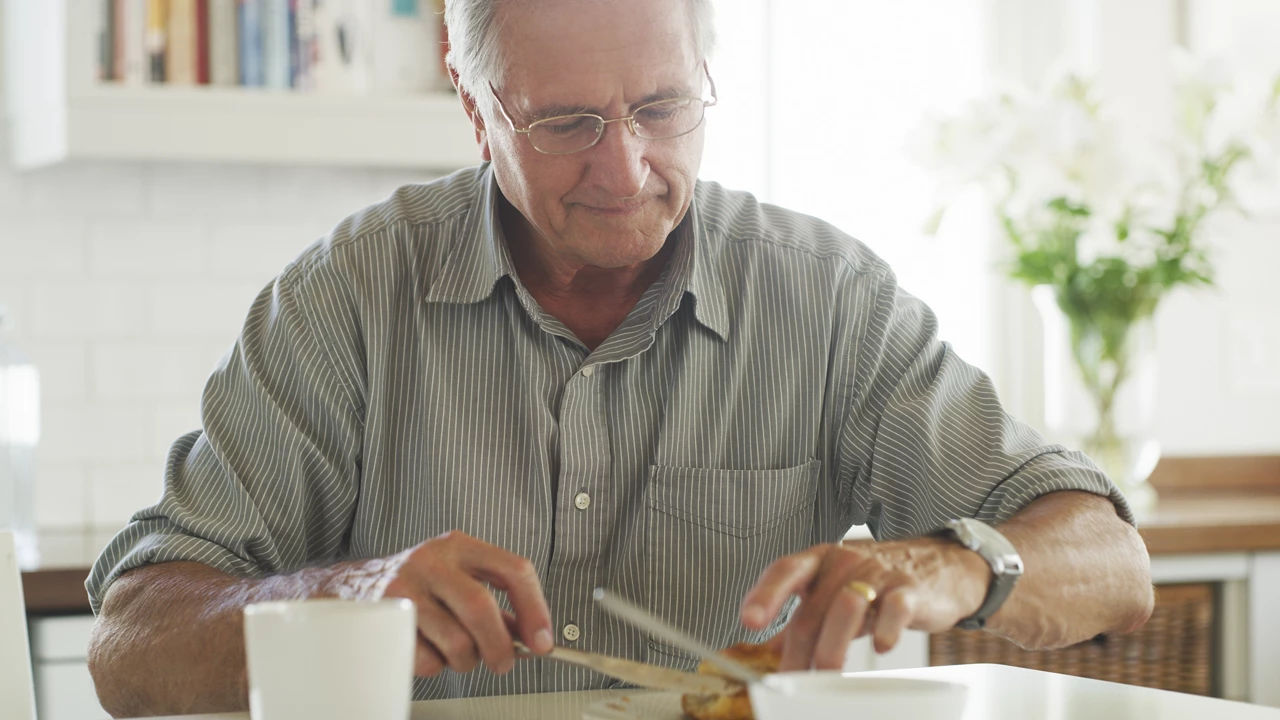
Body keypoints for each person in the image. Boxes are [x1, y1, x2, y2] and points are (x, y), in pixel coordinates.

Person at [85, 0, 1154, 716]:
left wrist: (948, 565)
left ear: (704, 77)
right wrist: (346, 596)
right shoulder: (350, 298)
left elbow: (1109, 566)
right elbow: (129, 644)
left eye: (661, 108)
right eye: (565, 122)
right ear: (472, 107)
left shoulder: (824, 297)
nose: (625, 166)